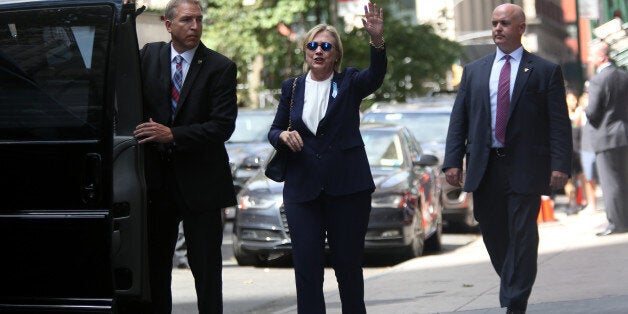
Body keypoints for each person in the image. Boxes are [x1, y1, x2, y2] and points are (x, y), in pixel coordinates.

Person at [442, 4, 571, 314]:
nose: (497, 28)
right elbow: (459, 119)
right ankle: (513, 283)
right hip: (485, 167)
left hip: (526, 166)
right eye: (494, 23)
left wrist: (560, 164)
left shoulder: (544, 70)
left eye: (504, 23)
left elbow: (558, 123)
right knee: (494, 231)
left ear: (521, 28)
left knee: (523, 232)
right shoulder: (475, 71)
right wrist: (451, 161)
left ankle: (515, 298)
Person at [267, 2, 386, 313]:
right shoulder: (291, 87)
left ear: (336, 54)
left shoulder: (349, 82)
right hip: (302, 190)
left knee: (347, 266)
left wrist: (376, 40)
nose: (318, 51)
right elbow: (275, 128)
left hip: (347, 189)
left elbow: (376, 76)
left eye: (326, 46)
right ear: (306, 51)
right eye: (313, 45)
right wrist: (281, 136)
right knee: (306, 267)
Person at [133, 0, 238, 313]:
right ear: (168, 25)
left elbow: (222, 127)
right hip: (156, 184)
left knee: (206, 272)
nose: (195, 27)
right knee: (155, 270)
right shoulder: (147, 56)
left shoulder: (220, 67)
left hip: (202, 186)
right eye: (187, 20)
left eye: (199, 20)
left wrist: (173, 135)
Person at [584, 41, 628, 236]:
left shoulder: (598, 80)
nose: (589, 59)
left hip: (605, 137)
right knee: (623, 180)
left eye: (591, 55)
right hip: (624, 133)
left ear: (601, 57)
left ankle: (617, 223)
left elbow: (592, 112)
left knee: (610, 183)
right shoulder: (623, 76)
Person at [564, 90, 586, 215]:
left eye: (574, 99)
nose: (573, 102)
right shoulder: (562, 114)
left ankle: (582, 201)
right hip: (568, 151)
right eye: (570, 99)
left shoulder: (580, 113)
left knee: (582, 176)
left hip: (579, 150)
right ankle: (571, 203)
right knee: (569, 180)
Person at [578, 86, 599, 214]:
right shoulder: (581, 111)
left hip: (598, 144)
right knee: (589, 177)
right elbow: (576, 122)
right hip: (586, 146)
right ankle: (592, 204)